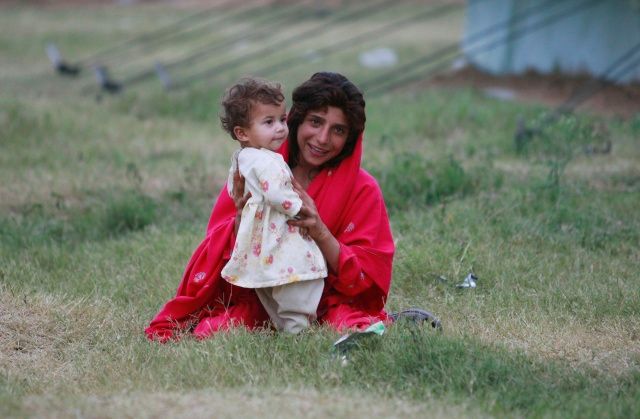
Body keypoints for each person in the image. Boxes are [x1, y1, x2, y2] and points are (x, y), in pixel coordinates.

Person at [145, 72, 395, 342]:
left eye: (338, 130)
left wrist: (320, 232)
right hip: (260, 292)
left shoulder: (363, 189)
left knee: (348, 325)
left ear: (350, 139)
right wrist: (241, 220)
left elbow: (367, 277)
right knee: (214, 331)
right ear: (297, 119)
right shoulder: (259, 170)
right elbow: (217, 251)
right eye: (315, 122)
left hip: (324, 299)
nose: (322, 138)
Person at [219, 77, 327, 334]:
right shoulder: (267, 161)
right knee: (297, 289)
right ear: (242, 133)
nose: (280, 128)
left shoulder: (242, 157)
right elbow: (277, 193)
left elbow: (234, 190)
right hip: (278, 237)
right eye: (269, 122)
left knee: (272, 291)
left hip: (257, 246)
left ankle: (287, 329)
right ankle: (299, 332)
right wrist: (299, 208)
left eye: (281, 119)